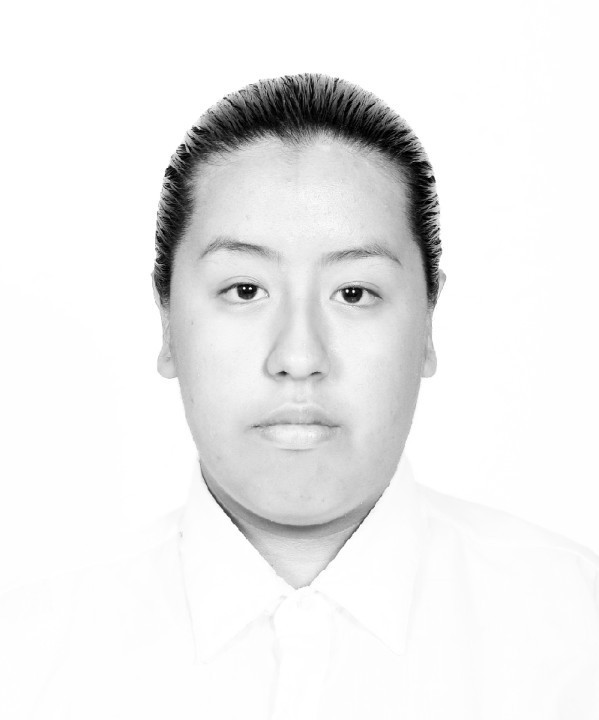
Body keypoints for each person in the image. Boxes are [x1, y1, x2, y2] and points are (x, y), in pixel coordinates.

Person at [1, 73, 598, 719]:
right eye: (244, 290)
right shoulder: (26, 655)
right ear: (168, 322)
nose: (299, 357)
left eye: (354, 293)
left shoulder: (574, 634)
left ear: (427, 321)